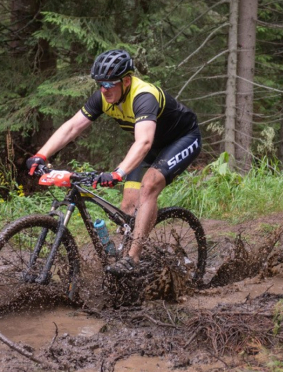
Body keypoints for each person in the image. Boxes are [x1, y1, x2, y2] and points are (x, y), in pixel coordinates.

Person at [25, 49, 201, 276]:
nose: (104, 89)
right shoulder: (103, 97)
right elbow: (72, 127)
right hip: (149, 144)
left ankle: (133, 258)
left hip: (182, 138)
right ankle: (127, 265)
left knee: (149, 185)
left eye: (110, 84)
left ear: (126, 81)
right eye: (100, 84)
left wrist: (117, 173)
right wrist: (41, 155)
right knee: (127, 205)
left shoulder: (143, 96)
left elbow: (144, 142)